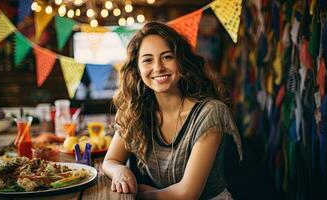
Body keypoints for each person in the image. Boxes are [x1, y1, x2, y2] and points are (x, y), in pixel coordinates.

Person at [102, 22, 243, 199]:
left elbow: (187, 194)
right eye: (147, 60)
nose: (158, 67)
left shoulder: (210, 112)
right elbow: (110, 161)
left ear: (181, 62)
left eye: (167, 57)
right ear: (137, 70)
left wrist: (138, 194)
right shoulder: (136, 111)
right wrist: (120, 171)